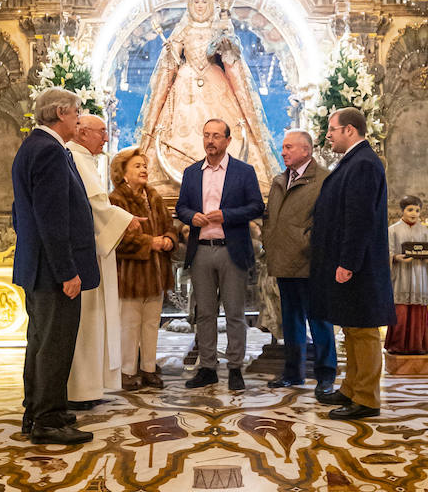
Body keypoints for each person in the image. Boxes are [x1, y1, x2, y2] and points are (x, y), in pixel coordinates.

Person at [11, 87, 100, 445]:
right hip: (52, 272)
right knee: (54, 346)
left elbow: (20, 213)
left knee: (40, 342)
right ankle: (47, 421)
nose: (78, 119)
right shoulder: (48, 150)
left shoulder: (33, 146)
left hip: (38, 267)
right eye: (76, 112)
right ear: (61, 112)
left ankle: (40, 410)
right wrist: (67, 271)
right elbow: (52, 217)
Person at [139, 0, 276, 189]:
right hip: (186, 82)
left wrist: (226, 43)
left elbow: (229, 55)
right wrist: (171, 52)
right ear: (190, 5)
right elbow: (173, 61)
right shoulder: (184, 31)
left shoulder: (218, 28)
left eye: (204, 2)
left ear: (211, 5)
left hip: (215, 79)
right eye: (196, 2)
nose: (200, 6)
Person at [310, 107, 395, 419]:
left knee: (363, 330)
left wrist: (348, 262)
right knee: (352, 327)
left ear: (350, 130)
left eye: (332, 129)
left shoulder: (363, 164)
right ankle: (351, 388)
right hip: (351, 261)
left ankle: (367, 398)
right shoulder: (354, 161)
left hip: (359, 265)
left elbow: (359, 219)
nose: (328, 136)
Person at [175, 117, 264, 391]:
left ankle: (235, 368)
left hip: (231, 250)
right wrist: (192, 217)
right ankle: (208, 368)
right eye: (206, 135)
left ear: (227, 140)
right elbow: (181, 207)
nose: (210, 141)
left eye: (216, 136)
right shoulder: (192, 172)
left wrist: (227, 215)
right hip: (201, 251)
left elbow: (256, 207)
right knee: (204, 313)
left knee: (235, 313)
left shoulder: (244, 171)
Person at [65, 113, 141, 409]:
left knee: (93, 321)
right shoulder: (75, 156)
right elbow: (95, 206)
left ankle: (90, 387)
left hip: (92, 253)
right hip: (83, 256)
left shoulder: (83, 158)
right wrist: (125, 220)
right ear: (82, 132)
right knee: (86, 322)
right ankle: (80, 390)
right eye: (101, 132)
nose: (106, 138)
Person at [261, 128, 337, 390]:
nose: (283, 152)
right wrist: (269, 241)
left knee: (319, 320)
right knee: (291, 322)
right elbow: (270, 217)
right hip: (283, 261)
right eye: (283, 147)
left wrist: (304, 243)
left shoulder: (324, 180)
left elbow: (327, 224)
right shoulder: (279, 180)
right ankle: (293, 373)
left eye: (289, 147)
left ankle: (326, 375)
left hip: (310, 262)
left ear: (306, 150)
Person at [109, 146, 177, 389]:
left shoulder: (154, 196)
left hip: (156, 274)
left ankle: (149, 369)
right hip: (131, 276)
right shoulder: (115, 200)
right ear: (123, 173)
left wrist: (169, 239)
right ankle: (127, 372)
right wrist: (150, 243)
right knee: (129, 326)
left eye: (145, 166)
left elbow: (169, 226)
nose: (143, 170)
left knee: (151, 324)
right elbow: (117, 239)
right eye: (137, 166)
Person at [386, 195, 428, 354]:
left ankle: (418, 346)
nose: (414, 213)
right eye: (410, 209)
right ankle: (397, 346)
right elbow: (386, 252)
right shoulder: (392, 230)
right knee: (400, 313)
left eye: (417, 210)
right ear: (402, 211)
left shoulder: (424, 230)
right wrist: (395, 258)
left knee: (418, 312)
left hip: (419, 277)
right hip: (401, 277)